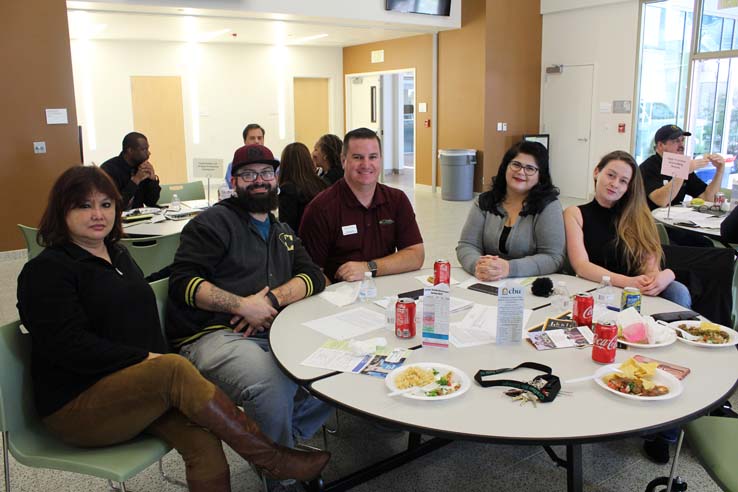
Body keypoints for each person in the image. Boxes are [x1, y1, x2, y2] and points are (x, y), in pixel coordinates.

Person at [16, 166, 330, 492]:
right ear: (61, 211)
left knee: (204, 442)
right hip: (77, 405)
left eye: (106, 204)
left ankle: (274, 458)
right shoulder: (46, 270)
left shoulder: (117, 254)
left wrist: (202, 281)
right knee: (173, 368)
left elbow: (141, 300)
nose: (98, 214)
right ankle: (273, 460)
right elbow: (68, 346)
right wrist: (145, 359)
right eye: (84, 206)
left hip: (138, 391)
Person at [166, 144, 333, 490]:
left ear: (277, 180)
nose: (259, 181)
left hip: (271, 329)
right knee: (272, 381)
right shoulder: (212, 223)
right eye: (248, 174)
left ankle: (273, 444)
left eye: (266, 173)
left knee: (338, 361)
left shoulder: (282, 231)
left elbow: (314, 277)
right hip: (210, 335)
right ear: (233, 181)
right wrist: (241, 306)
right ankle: (282, 474)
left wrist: (271, 299)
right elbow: (183, 283)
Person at [564, 150, 691, 306]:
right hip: (595, 289)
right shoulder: (575, 214)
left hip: (635, 293)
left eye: (623, 181)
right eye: (611, 175)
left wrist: (662, 277)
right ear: (597, 172)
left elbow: (650, 268)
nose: (615, 184)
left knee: (677, 290)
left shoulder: (639, 217)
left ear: (628, 187)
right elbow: (581, 266)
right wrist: (627, 282)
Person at [299, 127, 424, 283]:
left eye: (373, 157)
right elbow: (311, 274)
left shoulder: (397, 200)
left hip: (385, 293)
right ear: (343, 161)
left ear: (380, 160)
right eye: (358, 157)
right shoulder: (320, 209)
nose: (366, 164)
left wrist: (369, 268)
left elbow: (416, 255)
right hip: (340, 298)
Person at [456, 141, 565, 280]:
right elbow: (466, 245)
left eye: (530, 168)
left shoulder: (548, 206)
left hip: (529, 285)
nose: (521, 172)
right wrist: (477, 265)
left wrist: (508, 268)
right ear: (505, 166)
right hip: (486, 281)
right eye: (516, 164)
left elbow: (554, 257)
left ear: (540, 176)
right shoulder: (485, 201)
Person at [640, 124, 724, 246]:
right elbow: (661, 200)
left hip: (676, 225)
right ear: (660, 145)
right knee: (702, 250)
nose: (681, 145)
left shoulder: (683, 166)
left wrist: (720, 170)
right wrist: (683, 171)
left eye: (682, 140)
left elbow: (707, 198)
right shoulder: (648, 167)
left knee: (707, 245)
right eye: (675, 141)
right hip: (652, 229)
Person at [100, 132, 160, 210]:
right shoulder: (109, 169)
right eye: (143, 149)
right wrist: (135, 181)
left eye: (147, 149)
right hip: (117, 219)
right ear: (130, 150)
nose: (148, 153)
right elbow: (115, 205)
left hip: (140, 218)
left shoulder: (141, 167)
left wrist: (152, 180)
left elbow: (151, 202)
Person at [278, 142, 327, 232]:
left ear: (285, 164)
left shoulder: (287, 190)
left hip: (301, 242)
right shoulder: (321, 184)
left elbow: (287, 228)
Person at [225, 123, 266, 188]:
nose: (257, 141)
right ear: (244, 141)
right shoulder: (233, 165)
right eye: (252, 138)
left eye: (259, 138)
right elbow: (231, 188)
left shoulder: (275, 164)